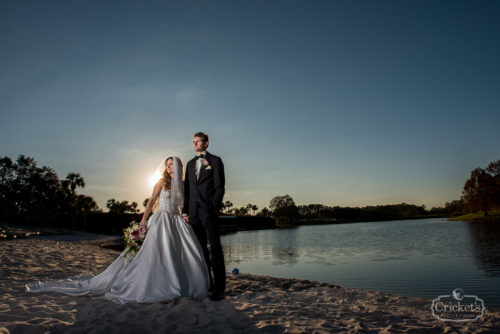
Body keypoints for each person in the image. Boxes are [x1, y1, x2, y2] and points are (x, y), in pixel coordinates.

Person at [26, 156, 209, 304]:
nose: (170, 168)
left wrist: (184, 216)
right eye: (168, 165)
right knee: (155, 253)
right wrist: (143, 220)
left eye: (173, 165)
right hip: (161, 219)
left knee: (182, 253)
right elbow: (152, 201)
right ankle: (154, 285)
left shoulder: (183, 185)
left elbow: (181, 206)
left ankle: (181, 284)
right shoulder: (161, 182)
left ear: (179, 168)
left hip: (176, 221)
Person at [183, 132, 226, 301]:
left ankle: (219, 288)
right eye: (193, 142)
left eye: (198, 142)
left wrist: (214, 207)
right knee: (200, 250)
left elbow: (220, 187)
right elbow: (187, 190)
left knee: (215, 248)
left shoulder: (215, 161)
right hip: (193, 213)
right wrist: (185, 211)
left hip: (209, 212)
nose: (195, 144)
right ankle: (207, 283)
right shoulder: (189, 164)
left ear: (206, 143)